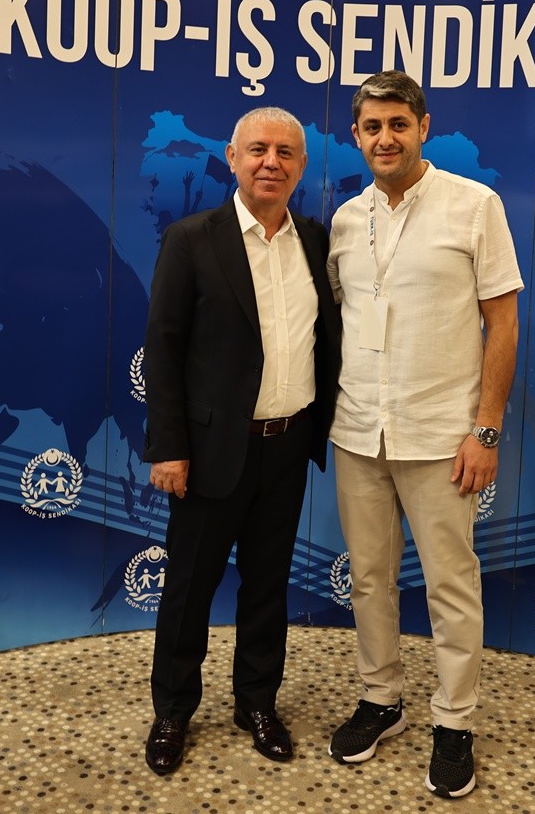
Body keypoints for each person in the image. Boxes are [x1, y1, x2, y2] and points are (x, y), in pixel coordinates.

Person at [326, 71, 523, 799]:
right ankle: (382, 700)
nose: (386, 138)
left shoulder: (475, 206)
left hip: (443, 436)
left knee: (450, 585)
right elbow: (346, 319)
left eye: (398, 124)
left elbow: (503, 324)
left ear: (423, 127)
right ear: (357, 136)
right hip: (359, 433)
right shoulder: (346, 221)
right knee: (369, 577)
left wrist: (486, 429)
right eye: (372, 127)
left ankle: (454, 721)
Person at [143, 106, 341, 775]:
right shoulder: (191, 240)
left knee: (267, 587)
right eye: (258, 149)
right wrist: (169, 447)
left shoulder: (314, 240)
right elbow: (163, 350)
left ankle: (257, 703)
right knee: (189, 589)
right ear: (232, 158)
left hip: (288, 447)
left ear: (301, 167)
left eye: (285, 153)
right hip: (209, 454)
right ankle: (173, 711)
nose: (270, 163)